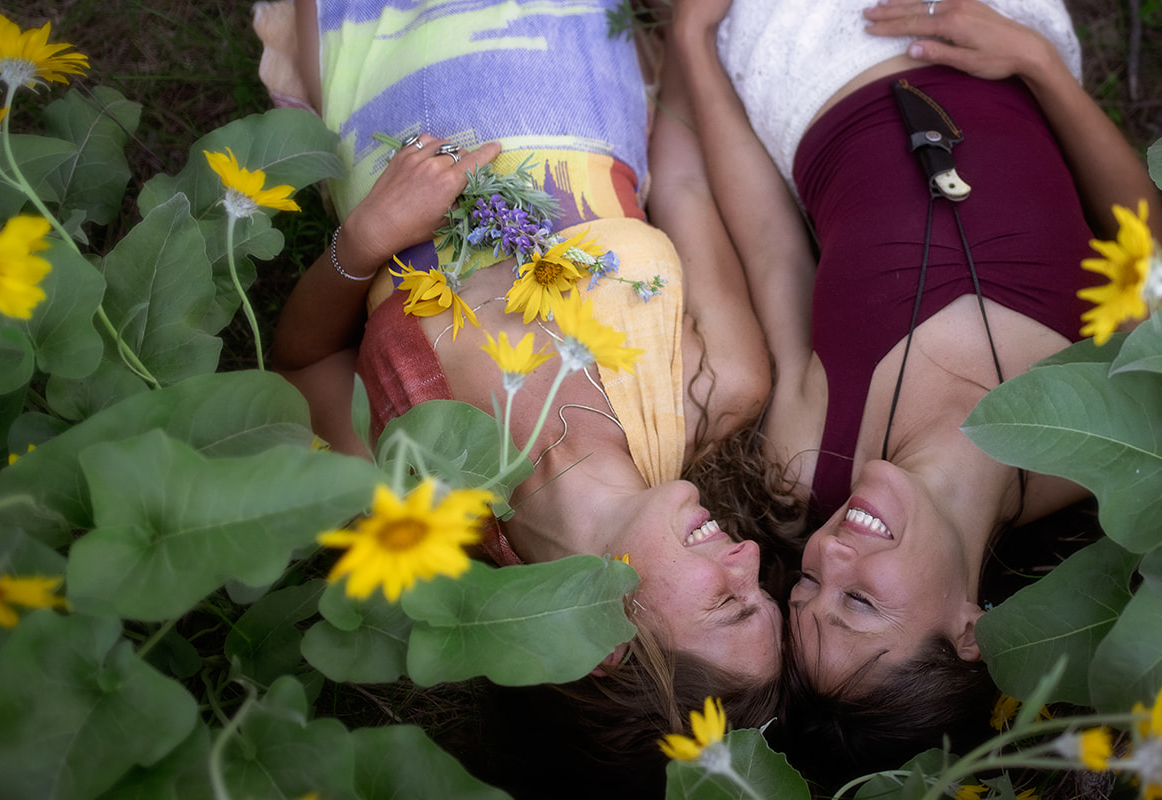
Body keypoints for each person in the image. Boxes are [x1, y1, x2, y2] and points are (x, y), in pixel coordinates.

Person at [264, 0, 794, 784]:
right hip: (569, 45)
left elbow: (302, 367)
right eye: (762, 589)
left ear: (606, 647)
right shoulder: (715, 386)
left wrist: (367, 240)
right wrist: (677, 38)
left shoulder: (420, 497)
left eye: (728, 603)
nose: (748, 558)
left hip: (380, 70)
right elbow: (681, 180)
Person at [669, 0, 1162, 783]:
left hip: (803, 60)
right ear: (971, 631)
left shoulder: (812, 456)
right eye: (860, 601)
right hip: (994, 34)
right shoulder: (1101, 444)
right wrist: (1037, 63)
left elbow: (772, 245)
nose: (830, 552)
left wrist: (692, 40)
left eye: (805, 585)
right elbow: (1150, 244)